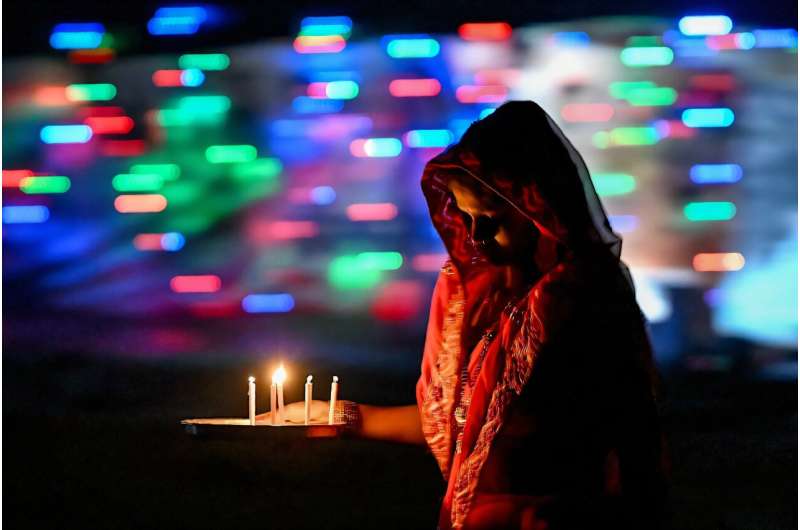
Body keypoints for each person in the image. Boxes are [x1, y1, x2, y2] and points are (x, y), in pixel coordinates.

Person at [266, 100, 670, 529]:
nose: (475, 236)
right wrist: (340, 416)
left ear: (536, 208)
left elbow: (632, 436)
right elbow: (467, 433)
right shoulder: (482, 298)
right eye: (465, 216)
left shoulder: (581, 301)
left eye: (490, 219)